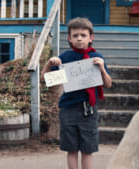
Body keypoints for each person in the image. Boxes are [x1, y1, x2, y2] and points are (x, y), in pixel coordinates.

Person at [41, 17, 112, 169]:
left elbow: (108, 84)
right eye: (75, 35)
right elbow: (46, 81)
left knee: (88, 149)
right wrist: (48, 65)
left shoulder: (96, 57)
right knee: (71, 149)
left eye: (83, 35)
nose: (79, 39)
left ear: (91, 38)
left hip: (89, 110)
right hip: (69, 109)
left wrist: (102, 69)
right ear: (69, 38)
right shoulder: (64, 58)